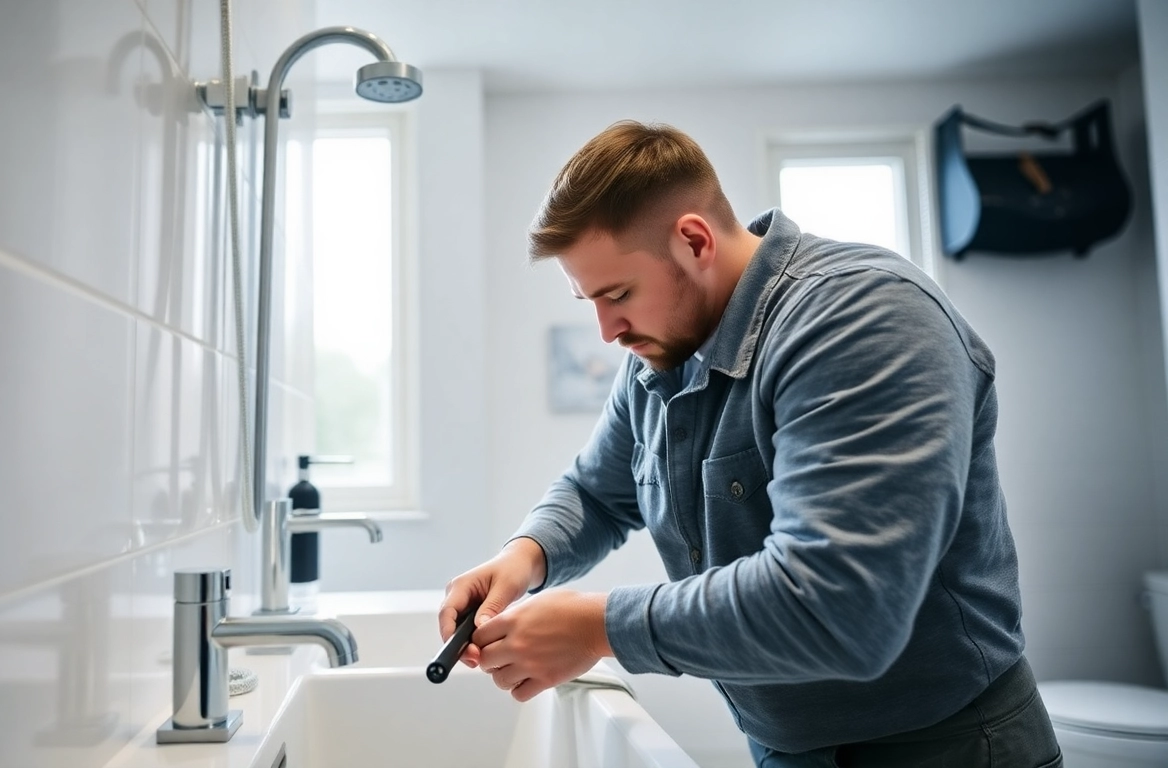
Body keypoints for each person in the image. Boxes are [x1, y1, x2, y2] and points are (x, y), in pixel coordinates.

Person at [439, 120, 1063, 767]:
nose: (606, 331)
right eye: (589, 300)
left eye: (618, 294)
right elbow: (596, 491)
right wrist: (526, 555)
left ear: (694, 240)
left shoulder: (866, 322)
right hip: (785, 745)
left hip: (945, 744)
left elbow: (838, 609)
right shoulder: (660, 352)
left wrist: (597, 627)